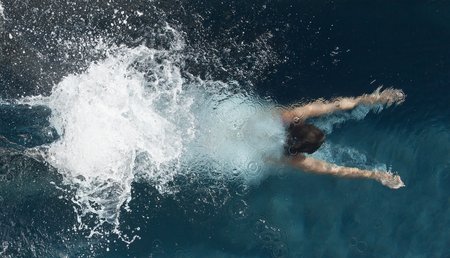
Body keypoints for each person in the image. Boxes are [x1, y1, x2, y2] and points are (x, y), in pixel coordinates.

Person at [279, 87, 406, 189]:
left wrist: (371, 99)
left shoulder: (292, 116)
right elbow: (336, 170)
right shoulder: (294, 159)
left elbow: (336, 105)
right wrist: (377, 175)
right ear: (307, 151)